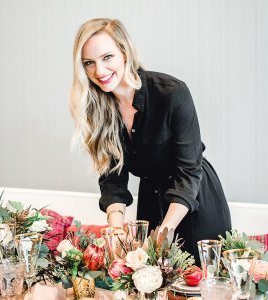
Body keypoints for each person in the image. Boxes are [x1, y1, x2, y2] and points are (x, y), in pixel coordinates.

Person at [70, 18, 231, 265]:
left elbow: (188, 172)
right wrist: (116, 230)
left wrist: (164, 233)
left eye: (107, 57)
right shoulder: (97, 107)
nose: (99, 71)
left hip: (194, 200)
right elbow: (113, 176)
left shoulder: (172, 93)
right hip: (151, 201)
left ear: (125, 52)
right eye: (89, 63)